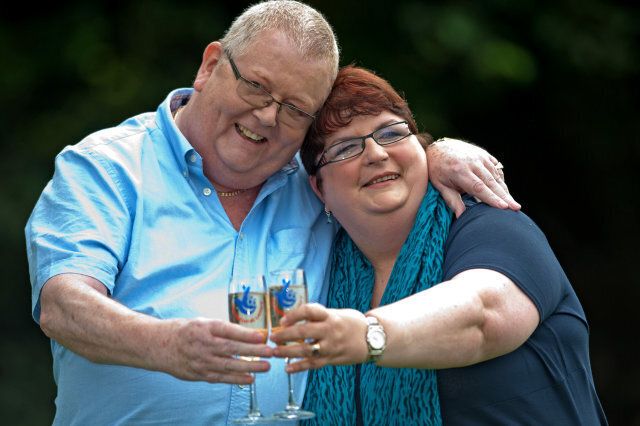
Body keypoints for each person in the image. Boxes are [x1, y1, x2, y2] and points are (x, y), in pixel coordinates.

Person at [25, 1, 518, 424]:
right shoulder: (108, 167)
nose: (266, 116)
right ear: (211, 64)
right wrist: (166, 345)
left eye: (295, 109)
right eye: (256, 87)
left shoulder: (316, 185)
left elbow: (378, 168)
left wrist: (437, 152)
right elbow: (63, 306)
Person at [270, 64, 608, 425]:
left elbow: (481, 315)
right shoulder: (319, 266)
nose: (375, 154)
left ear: (420, 146)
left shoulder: (494, 226)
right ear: (318, 187)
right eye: (346, 148)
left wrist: (366, 335)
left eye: (390, 133)